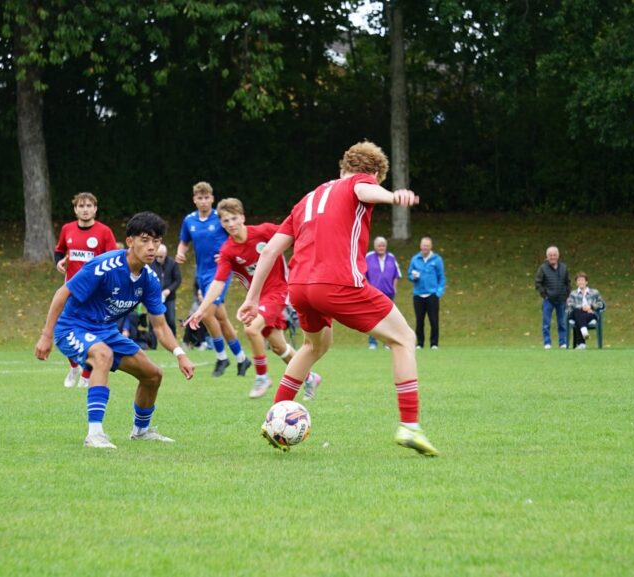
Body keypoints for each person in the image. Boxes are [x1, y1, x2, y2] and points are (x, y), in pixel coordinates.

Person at [238, 140, 439, 456]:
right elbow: (363, 190)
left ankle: (273, 418)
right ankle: (410, 426)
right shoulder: (361, 181)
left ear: (342, 166)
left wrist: (252, 297)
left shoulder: (307, 199)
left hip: (301, 288)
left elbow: (271, 250)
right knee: (404, 339)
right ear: (373, 172)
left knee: (315, 346)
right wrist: (390, 196)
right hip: (338, 284)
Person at [35, 212, 195, 449]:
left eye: (157, 241)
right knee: (103, 355)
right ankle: (95, 434)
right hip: (72, 326)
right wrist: (46, 335)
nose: (152, 247)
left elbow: (160, 326)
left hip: (106, 331)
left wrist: (180, 354)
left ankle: (141, 431)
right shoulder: (105, 265)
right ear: (130, 242)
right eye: (145, 240)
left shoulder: (149, 279)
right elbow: (62, 293)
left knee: (153, 375)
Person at [185, 198, 321, 399]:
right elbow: (218, 283)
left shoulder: (264, 232)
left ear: (242, 217)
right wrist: (201, 310)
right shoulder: (228, 251)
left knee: (251, 328)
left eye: (234, 218)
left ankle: (262, 377)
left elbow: (294, 234)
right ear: (221, 223)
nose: (231, 224)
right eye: (225, 221)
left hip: (278, 291)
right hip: (257, 299)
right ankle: (310, 378)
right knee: (278, 347)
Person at [175, 181, 250, 377]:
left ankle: (222, 357)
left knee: (207, 313)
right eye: (199, 198)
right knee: (221, 318)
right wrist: (180, 252)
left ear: (212, 198)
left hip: (220, 272)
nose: (203, 201)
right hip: (202, 273)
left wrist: (228, 254)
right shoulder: (189, 220)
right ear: (194, 200)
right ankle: (242, 358)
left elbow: (237, 235)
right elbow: (184, 241)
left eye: (206, 197)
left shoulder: (221, 218)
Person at [54, 192, 118, 388]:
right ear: (75, 209)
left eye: (89, 206)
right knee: (63, 330)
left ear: (95, 209)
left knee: (91, 333)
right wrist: (60, 262)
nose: (85, 209)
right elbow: (59, 250)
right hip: (71, 290)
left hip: (95, 294)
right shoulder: (67, 229)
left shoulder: (104, 232)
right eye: (81, 206)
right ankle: (74, 367)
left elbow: (114, 260)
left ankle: (86, 372)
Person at [407, 236, 446, 349]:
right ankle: (420, 343)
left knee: (434, 320)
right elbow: (409, 275)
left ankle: (434, 343)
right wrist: (413, 277)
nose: (425, 248)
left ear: (431, 247)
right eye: (424, 245)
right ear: (420, 246)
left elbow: (441, 277)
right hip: (418, 294)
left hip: (432, 294)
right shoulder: (415, 259)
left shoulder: (437, 260)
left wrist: (438, 292)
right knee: (419, 320)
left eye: (427, 246)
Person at [364, 236, 402, 349]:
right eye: (379, 245)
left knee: (388, 318)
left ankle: (387, 342)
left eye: (383, 245)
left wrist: (394, 288)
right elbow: (362, 274)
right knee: (372, 318)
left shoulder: (391, 257)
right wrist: (367, 288)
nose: (381, 248)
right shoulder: (368, 257)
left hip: (388, 293)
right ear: (375, 246)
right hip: (373, 293)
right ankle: (372, 342)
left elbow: (397, 274)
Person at [535, 246, 570, 349]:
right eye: (550, 255)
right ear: (547, 256)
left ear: (558, 256)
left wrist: (567, 295)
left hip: (562, 300)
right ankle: (547, 343)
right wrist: (544, 295)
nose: (552, 257)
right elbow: (538, 283)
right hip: (548, 300)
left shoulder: (564, 267)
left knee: (562, 323)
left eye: (554, 255)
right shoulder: (543, 268)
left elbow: (567, 282)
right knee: (546, 323)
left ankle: (562, 343)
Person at [148, 243, 181, 336]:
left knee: (170, 319)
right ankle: (151, 345)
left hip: (169, 297)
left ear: (165, 255)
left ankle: (173, 342)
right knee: (152, 321)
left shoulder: (173, 263)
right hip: (154, 297)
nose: (158, 258)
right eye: (156, 256)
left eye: (161, 256)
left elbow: (177, 280)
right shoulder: (151, 264)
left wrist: (169, 290)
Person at [566, 272, 605, 349]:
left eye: (582, 280)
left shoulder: (594, 292)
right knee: (577, 311)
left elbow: (601, 304)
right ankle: (584, 331)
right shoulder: (573, 293)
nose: (581, 282)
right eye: (579, 280)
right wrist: (582, 308)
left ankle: (581, 343)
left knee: (580, 318)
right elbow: (570, 304)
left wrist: (591, 306)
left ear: (586, 282)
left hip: (590, 314)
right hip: (576, 313)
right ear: (576, 283)